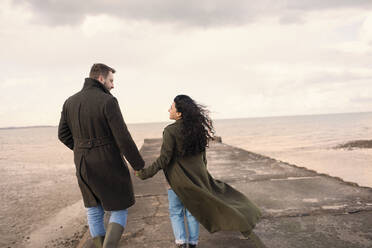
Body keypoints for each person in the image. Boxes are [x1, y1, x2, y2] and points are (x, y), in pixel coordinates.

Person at [135, 95, 265, 248]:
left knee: (176, 211)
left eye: (172, 107)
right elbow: (203, 158)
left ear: (180, 113)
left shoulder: (170, 131)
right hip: (197, 180)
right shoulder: (198, 129)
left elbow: (164, 158)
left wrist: (145, 173)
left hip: (177, 182)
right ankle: (192, 244)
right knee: (192, 211)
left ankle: (181, 243)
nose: (168, 110)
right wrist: (203, 177)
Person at [58, 63, 145, 248]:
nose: (113, 85)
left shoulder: (69, 102)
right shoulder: (108, 101)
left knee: (93, 209)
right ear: (100, 78)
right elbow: (123, 138)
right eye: (111, 80)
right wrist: (138, 165)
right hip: (108, 162)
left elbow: (62, 134)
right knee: (119, 208)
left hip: (82, 163)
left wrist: (82, 149)